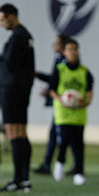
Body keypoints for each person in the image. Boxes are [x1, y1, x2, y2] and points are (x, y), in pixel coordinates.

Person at [0, 3, 35, 192]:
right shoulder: (26, 35)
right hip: (22, 90)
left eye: (2, 19)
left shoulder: (17, 36)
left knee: (13, 133)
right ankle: (24, 179)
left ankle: (18, 180)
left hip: (12, 90)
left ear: (12, 16)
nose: (1, 24)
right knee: (21, 133)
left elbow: (9, 65)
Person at [49, 39, 93, 185]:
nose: (73, 52)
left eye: (75, 49)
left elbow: (89, 93)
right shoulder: (60, 69)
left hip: (79, 114)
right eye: (69, 49)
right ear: (64, 52)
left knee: (79, 145)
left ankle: (79, 173)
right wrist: (62, 100)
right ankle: (60, 163)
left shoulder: (85, 72)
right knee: (64, 141)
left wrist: (85, 101)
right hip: (63, 114)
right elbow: (52, 90)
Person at [34, 34, 69, 175]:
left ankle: (53, 164)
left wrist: (49, 91)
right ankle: (49, 163)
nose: (54, 45)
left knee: (61, 134)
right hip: (58, 102)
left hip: (64, 103)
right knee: (58, 134)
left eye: (57, 43)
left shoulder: (65, 61)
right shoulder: (59, 59)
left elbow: (58, 80)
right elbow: (54, 79)